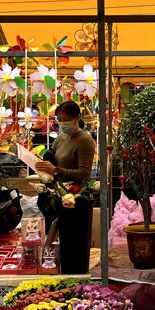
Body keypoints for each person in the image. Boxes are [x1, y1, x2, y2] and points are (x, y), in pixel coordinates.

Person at [35, 100, 96, 274]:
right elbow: (54, 160)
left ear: (78, 118)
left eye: (66, 119)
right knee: (54, 239)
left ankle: (72, 274)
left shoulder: (84, 141)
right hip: (56, 196)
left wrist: (56, 170)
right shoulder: (61, 138)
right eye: (60, 120)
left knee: (71, 246)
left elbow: (84, 174)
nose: (62, 123)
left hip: (74, 199)